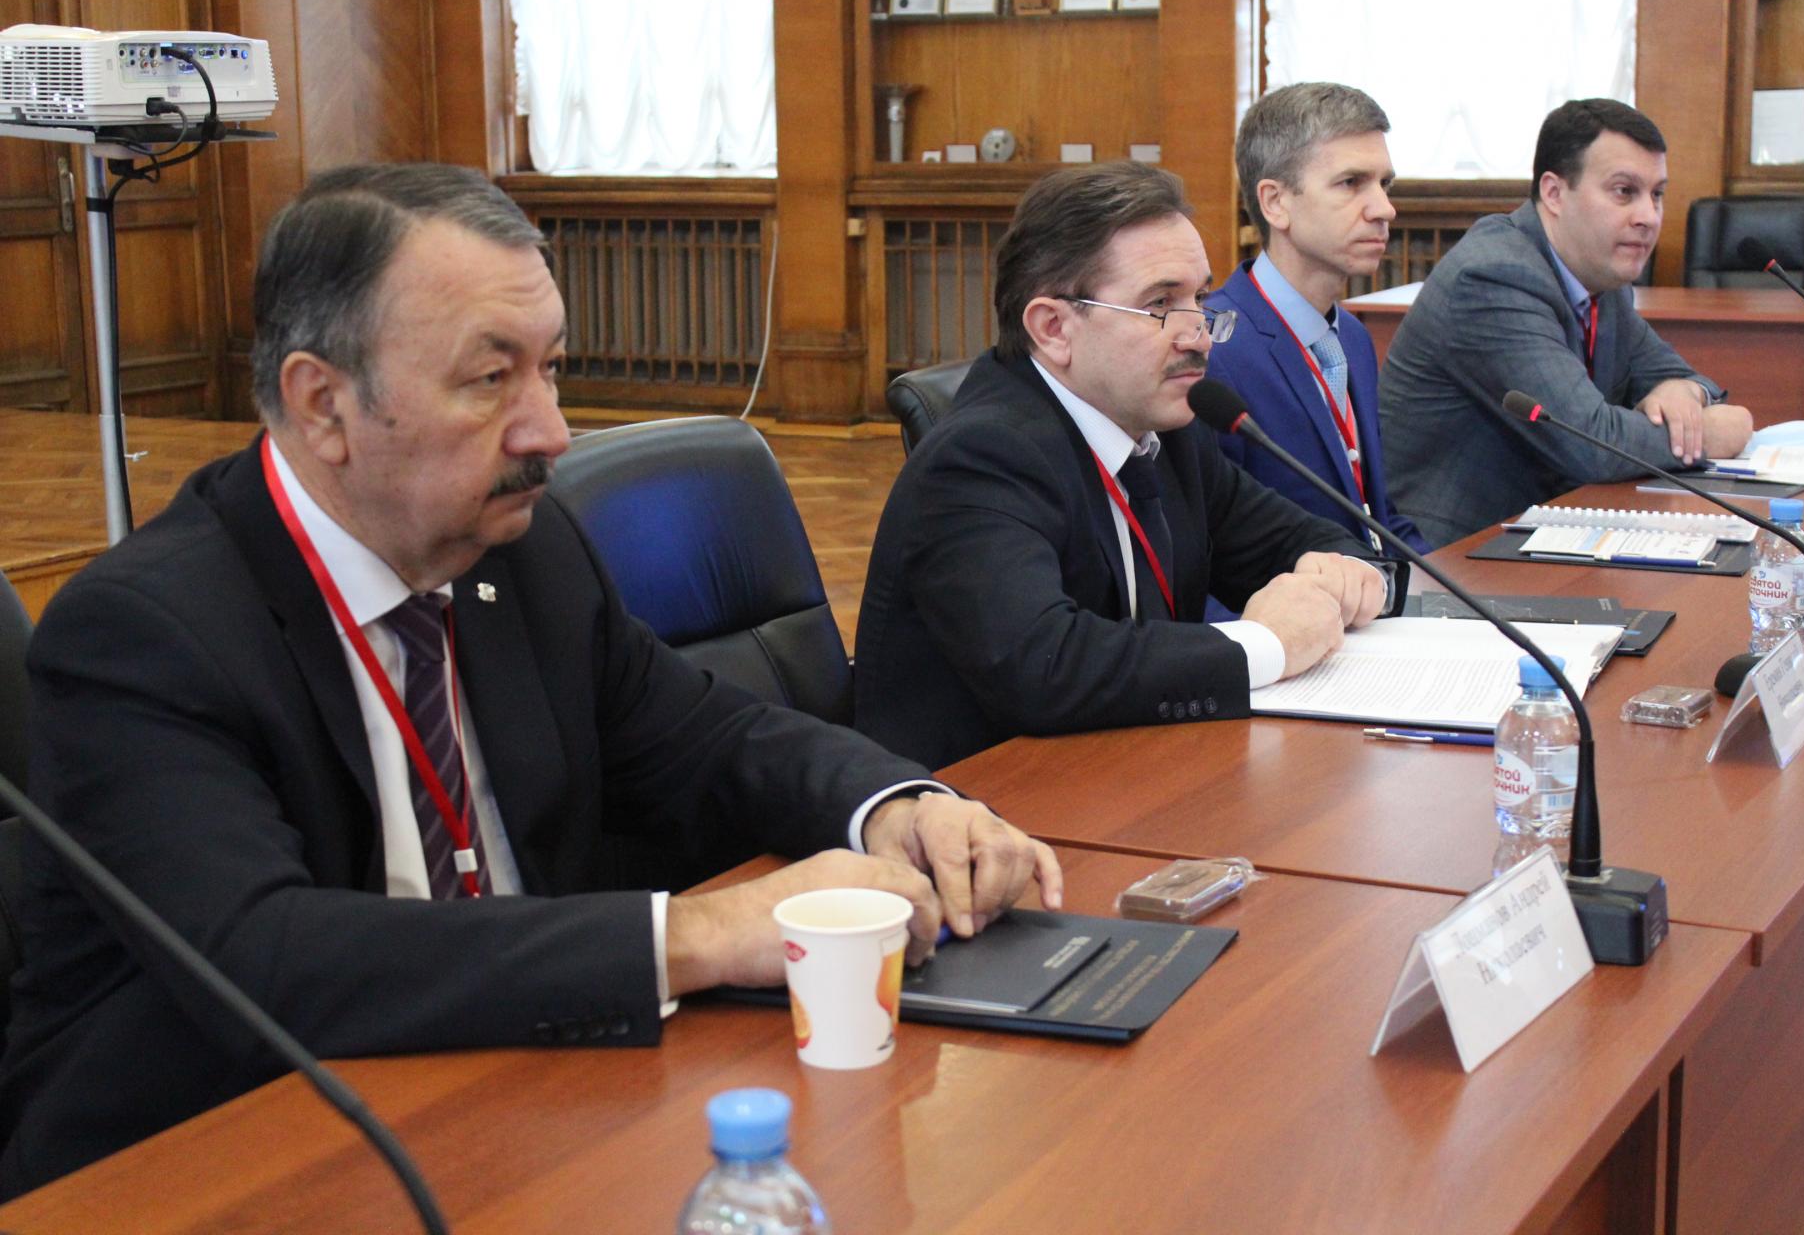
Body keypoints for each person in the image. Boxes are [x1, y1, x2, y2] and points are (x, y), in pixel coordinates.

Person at [0, 164, 1061, 1195]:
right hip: (219, 1156)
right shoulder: (145, 632)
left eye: (550, 368)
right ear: (322, 404)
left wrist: (897, 804)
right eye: (489, 379)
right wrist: (698, 934)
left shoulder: (522, 550)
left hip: (517, 1097)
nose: (550, 430)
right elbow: (265, 958)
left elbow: (710, 738)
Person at [854, 162, 1395, 771]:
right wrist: (1264, 646)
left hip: (1131, 766)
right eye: (1161, 304)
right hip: (984, 798)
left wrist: (1347, 573)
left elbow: (1297, 539)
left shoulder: (1168, 429)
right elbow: (1046, 666)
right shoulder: (981, 458)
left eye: (1199, 299)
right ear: (1053, 328)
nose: (1199, 336)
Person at [1377, 98, 1755, 546]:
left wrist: (1685, 391)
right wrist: (1706, 434)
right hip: (1450, 554)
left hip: (1543, 537)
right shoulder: (1493, 276)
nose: (1648, 217)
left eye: (1656, 194)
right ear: (1554, 193)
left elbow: (1680, 376)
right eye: (1624, 192)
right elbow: (1590, 442)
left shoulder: (1602, 279)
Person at [1204, 82, 1428, 554]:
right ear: (1275, 203)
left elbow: (1376, 517)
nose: (1385, 209)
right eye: (1351, 183)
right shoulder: (1215, 348)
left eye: (1385, 184)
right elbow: (1210, 550)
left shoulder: (1352, 338)